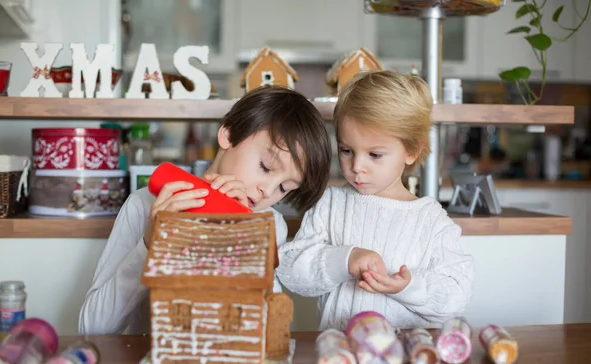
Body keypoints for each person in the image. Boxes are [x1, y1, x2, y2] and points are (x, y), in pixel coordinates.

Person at [79, 86, 332, 334]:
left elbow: (267, 330)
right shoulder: (145, 205)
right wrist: (149, 245)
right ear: (228, 135)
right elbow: (92, 328)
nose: (268, 190)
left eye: (284, 188)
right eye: (265, 167)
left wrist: (242, 239)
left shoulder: (269, 224)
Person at [276, 71, 474, 331]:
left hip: (405, 360)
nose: (357, 166)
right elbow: (291, 272)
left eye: (375, 154)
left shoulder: (431, 220)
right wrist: (344, 260)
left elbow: (456, 296)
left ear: (411, 151)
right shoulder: (330, 204)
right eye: (346, 150)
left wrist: (408, 287)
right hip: (340, 355)